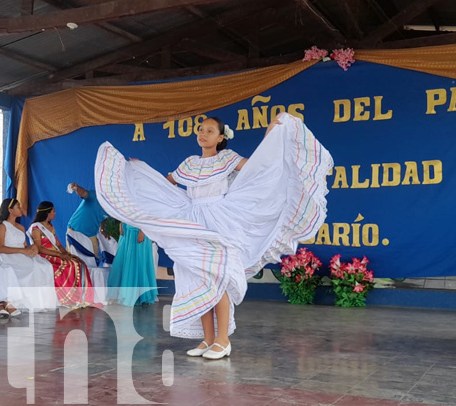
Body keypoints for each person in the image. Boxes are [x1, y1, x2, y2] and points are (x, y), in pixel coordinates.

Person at [95, 114, 333, 359]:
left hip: (220, 220)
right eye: (200, 129)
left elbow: (258, 168)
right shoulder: (189, 164)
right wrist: (138, 172)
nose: (203, 133)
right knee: (196, 279)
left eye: (209, 131)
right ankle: (208, 339)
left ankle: (223, 340)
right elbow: (166, 184)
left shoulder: (227, 158)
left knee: (218, 277)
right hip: (192, 221)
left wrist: (272, 135)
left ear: (221, 137)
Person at [0, 198, 57, 311]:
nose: (21, 209)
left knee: (45, 265)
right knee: (33, 268)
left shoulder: (20, 227)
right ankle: (24, 302)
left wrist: (33, 247)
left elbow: (25, 245)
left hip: (22, 254)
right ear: (10, 210)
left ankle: (43, 302)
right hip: (10, 256)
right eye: (18, 207)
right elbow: (1, 249)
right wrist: (22, 251)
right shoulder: (2, 226)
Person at [29, 201, 98, 308]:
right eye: (53, 211)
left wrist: (67, 254)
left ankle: (83, 298)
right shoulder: (36, 228)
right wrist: (60, 255)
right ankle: (68, 299)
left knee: (79, 263)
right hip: (44, 255)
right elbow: (39, 248)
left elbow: (58, 244)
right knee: (70, 265)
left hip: (55, 254)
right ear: (47, 213)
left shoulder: (50, 226)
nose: (55, 213)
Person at [107, 223, 158, 306]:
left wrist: (143, 231)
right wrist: (120, 223)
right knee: (123, 261)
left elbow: (149, 214)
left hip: (139, 230)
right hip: (127, 229)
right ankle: (124, 294)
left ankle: (139, 296)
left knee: (139, 262)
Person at [66, 182, 109, 264]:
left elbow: (104, 217)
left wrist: (102, 229)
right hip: (75, 231)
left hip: (91, 234)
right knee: (73, 263)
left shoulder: (111, 207)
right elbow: (83, 193)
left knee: (92, 262)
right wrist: (77, 188)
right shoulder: (94, 196)